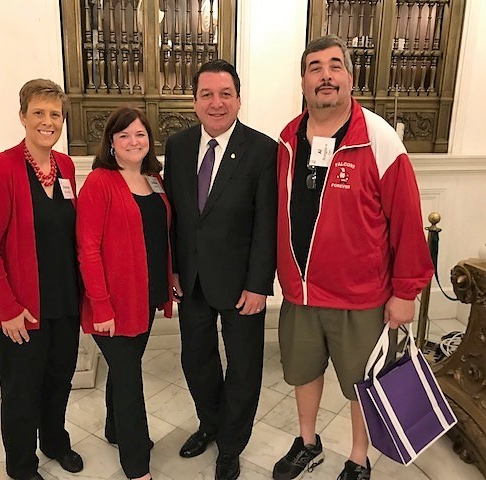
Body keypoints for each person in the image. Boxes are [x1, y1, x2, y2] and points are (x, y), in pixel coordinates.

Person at [272, 35, 434, 480]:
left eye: (335, 66)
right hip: (302, 293)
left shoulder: (378, 138)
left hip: (360, 298)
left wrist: (406, 292)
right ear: (303, 80)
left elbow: (406, 219)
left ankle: (358, 459)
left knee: (363, 387)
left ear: (349, 76)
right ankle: (308, 443)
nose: (325, 75)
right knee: (304, 374)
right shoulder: (287, 139)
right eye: (315, 67)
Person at [163, 59, 277, 480]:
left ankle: (231, 445)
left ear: (239, 99)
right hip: (190, 280)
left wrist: (259, 285)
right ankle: (210, 424)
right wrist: (172, 270)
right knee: (197, 361)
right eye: (207, 94)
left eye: (225, 94)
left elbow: (268, 222)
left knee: (244, 368)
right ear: (194, 102)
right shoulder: (176, 146)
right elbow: (172, 214)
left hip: (242, 284)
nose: (216, 103)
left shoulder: (263, 150)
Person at [0, 79, 83, 480]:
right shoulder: (0, 170)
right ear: (22, 116)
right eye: (38, 112)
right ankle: (21, 466)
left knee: (58, 381)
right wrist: (8, 309)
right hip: (19, 309)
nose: (47, 121)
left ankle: (54, 441)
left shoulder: (65, 166)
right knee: (21, 393)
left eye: (55, 114)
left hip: (63, 302)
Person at [76, 107, 173, 480]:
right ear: (111, 144)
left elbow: (160, 235)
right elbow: (88, 248)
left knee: (123, 369)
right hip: (112, 302)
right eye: (124, 136)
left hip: (144, 296)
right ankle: (137, 466)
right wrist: (100, 304)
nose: (134, 142)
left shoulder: (153, 178)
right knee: (130, 377)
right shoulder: (100, 182)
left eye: (140, 135)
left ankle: (115, 430)